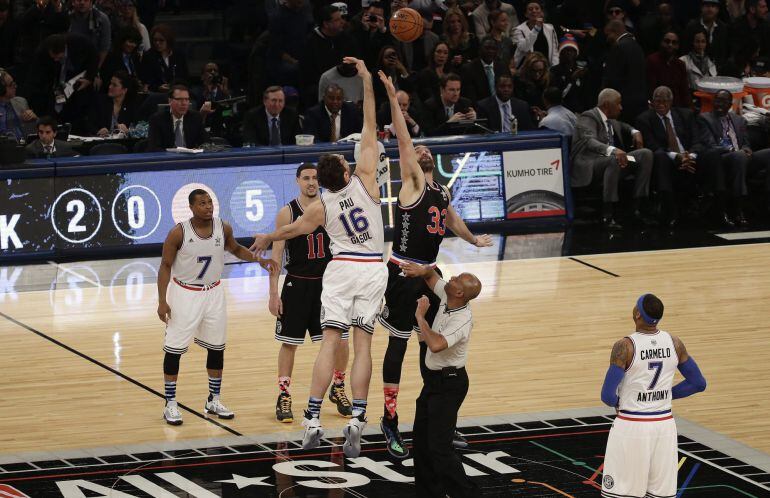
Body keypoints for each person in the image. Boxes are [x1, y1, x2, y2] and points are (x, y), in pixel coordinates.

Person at [251, 57, 386, 459]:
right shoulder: (364, 180)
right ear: (346, 170)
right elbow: (369, 123)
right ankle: (357, 420)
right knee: (361, 347)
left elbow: (290, 232)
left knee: (329, 343)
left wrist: (266, 236)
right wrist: (365, 80)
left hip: (339, 272)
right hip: (370, 269)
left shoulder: (320, 207)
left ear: (321, 181)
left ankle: (311, 418)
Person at [377, 70, 491, 458]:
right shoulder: (411, 183)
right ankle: (389, 421)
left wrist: (474, 239)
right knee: (398, 347)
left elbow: (451, 217)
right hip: (402, 272)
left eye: (425, 149)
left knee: (436, 347)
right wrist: (393, 98)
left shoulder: (440, 190)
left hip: (429, 272)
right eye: (417, 148)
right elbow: (404, 138)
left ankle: (438, 418)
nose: (420, 149)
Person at [156, 188, 276, 425]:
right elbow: (165, 266)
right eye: (202, 203)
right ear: (191, 208)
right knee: (174, 350)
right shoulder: (178, 233)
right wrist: (162, 301)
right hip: (184, 293)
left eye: (210, 202)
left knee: (217, 348)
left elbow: (235, 249)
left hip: (214, 293)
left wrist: (258, 260)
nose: (208, 206)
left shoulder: (224, 227)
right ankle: (170, 403)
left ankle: (214, 399)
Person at [600, 294, 707, 498]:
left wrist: (619, 402)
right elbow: (698, 383)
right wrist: (664, 395)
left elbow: (607, 395)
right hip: (664, 427)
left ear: (638, 314)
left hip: (632, 426)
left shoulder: (625, 347)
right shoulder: (675, 343)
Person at [268, 163, 352, 423]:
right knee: (289, 344)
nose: (311, 182)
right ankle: (284, 394)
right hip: (297, 283)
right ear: (297, 181)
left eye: (315, 178)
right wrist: (273, 293)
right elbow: (277, 254)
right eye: (306, 178)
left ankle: (338, 387)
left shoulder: (331, 206)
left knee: (341, 340)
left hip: (329, 285)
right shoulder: (287, 212)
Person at [400, 261, 482, 498]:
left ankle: (467, 494)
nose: (452, 277)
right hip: (434, 383)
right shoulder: (450, 296)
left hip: (450, 385)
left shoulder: (462, 320)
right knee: (422, 443)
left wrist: (420, 317)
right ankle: (429, 493)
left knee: (440, 448)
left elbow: (435, 345)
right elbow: (431, 277)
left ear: (460, 293)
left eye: (457, 279)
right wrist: (420, 269)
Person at [571, 88, 653, 230]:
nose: (621, 107)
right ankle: (608, 214)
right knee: (614, 159)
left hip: (611, 161)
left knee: (645, 154)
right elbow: (589, 141)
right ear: (607, 105)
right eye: (618, 103)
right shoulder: (588, 117)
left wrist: (636, 132)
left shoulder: (611, 120)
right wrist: (613, 150)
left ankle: (638, 208)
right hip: (591, 164)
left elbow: (624, 126)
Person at [693, 89, 770, 225]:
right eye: (717, 100)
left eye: (723, 101)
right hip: (721, 159)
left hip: (742, 156)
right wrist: (733, 150)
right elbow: (709, 144)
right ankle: (737, 208)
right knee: (738, 156)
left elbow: (746, 143)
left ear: (730, 104)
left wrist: (747, 149)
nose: (719, 104)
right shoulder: (705, 118)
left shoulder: (739, 120)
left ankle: (767, 202)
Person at [635, 86, 700, 226]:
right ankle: (669, 209)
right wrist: (677, 157)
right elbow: (653, 145)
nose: (661, 105)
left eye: (665, 101)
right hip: (667, 157)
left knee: (711, 154)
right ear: (652, 102)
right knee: (659, 156)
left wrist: (690, 156)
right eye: (657, 101)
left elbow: (696, 140)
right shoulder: (644, 119)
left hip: (689, 156)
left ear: (671, 102)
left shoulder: (686, 115)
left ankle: (719, 207)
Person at [602, 19, 647, 123]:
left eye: (608, 35)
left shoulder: (618, 47)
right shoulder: (638, 47)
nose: (607, 39)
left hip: (623, 105)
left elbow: (613, 80)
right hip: (640, 104)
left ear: (614, 31)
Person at [147, 84, 209, 151]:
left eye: (187, 99)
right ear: (170, 101)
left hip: (190, 159)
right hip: (168, 159)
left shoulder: (195, 117)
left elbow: (205, 144)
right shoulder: (157, 119)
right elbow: (154, 148)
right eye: (179, 99)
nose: (184, 103)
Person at [646, 32, 691, 109]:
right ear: (661, 43)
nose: (670, 45)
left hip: (677, 108)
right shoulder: (652, 61)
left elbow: (684, 90)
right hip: (658, 106)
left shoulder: (680, 64)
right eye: (667, 41)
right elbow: (650, 89)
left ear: (678, 46)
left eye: (674, 43)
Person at [87, 70, 138, 137]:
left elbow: (137, 129)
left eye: (114, 85)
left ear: (124, 90)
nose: (110, 87)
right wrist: (98, 131)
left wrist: (128, 131)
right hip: (100, 143)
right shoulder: (100, 101)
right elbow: (89, 124)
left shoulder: (131, 106)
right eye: (110, 83)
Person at [139, 24, 188, 92]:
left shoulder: (178, 55)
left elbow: (184, 77)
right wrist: (158, 87)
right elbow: (146, 81)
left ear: (168, 40)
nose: (157, 43)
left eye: (161, 40)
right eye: (155, 40)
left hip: (178, 91)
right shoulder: (149, 56)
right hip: (157, 93)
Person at [460, 36, 508, 103]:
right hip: (479, 108)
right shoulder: (468, 69)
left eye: (493, 49)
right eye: (487, 48)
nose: (490, 51)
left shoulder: (502, 67)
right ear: (480, 49)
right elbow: (469, 97)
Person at [512, 1, 559, 68]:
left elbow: (554, 52)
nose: (534, 11)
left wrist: (554, 68)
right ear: (526, 14)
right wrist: (536, 29)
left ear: (541, 12)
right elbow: (524, 48)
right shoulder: (518, 30)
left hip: (546, 68)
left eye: (537, 8)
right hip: (526, 68)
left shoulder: (550, 28)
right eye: (530, 9)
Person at [0, 69, 37, 142]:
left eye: (14, 83)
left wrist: (34, 119)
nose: (15, 86)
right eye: (11, 84)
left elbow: (33, 131)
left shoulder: (21, 102)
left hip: (24, 146)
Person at [680, 28, 718, 92]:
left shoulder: (711, 62)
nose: (700, 45)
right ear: (692, 42)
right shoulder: (683, 61)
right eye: (697, 41)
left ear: (706, 43)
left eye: (703, 41)